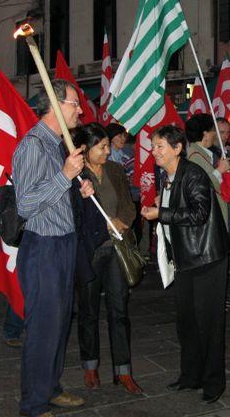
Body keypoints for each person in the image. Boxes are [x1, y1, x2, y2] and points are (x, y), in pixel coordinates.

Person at [12, 79, 94, 417]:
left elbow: (53, 192)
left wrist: (78, 187)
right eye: (74, 103)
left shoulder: (56, 144)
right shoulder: (32, 145)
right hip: (43, 248)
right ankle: (33, 404)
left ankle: (51, 387)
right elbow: (25, 204)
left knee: (59, 324)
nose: (80, 109)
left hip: (63, 243)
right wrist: (64, 175)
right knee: (44, 327)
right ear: (54, 106)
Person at [141, 125, 229, 403]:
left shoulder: (193, 173)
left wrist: (162, 212)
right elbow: (179, 205)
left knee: (209, 323)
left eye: (160, 147)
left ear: (177, 148)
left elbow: (200, 213)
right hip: (184, 257)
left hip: (206, 256)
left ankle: (214, 382)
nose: (154, 152)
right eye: (153, 146)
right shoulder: (167, 174)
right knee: (187, 321)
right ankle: (191, 375)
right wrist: (161, 202)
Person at [73, 122, 142, 394]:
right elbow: (75, 217)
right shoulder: (76, 176)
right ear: (85, 149)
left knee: (119, 309)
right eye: (101, 147)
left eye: (106, 146)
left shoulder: (114, 170)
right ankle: (90, 366)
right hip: (90, 251)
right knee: (88, 311)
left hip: (116, 249)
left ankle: (122, 371)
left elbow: (128, 203)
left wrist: (122, 221)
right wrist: (102, 222)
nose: (106, 151)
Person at [185, 113, 230, 228]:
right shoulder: (194, 156)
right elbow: (202, 185)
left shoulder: (202, 154)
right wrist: (220, 170)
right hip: (209, 218)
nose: (215, 134)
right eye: (213, 130)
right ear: (205, 134)